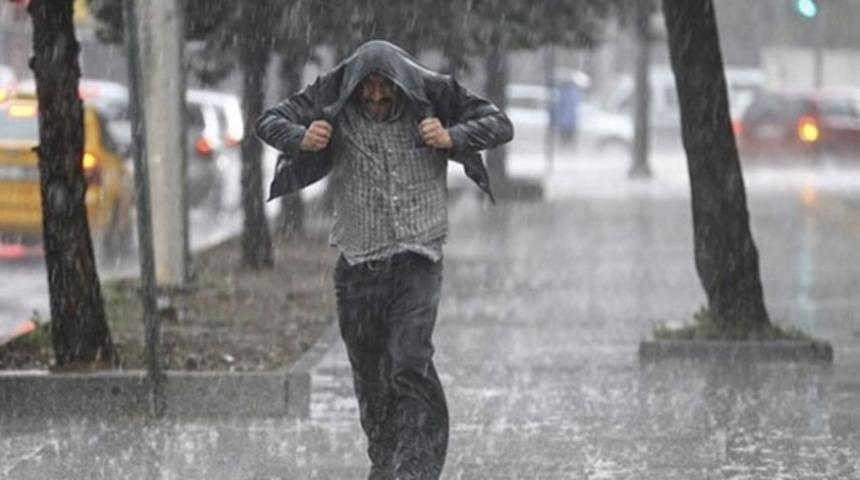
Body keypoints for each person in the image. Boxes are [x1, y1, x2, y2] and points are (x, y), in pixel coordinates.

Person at [256, 40, 513, 479]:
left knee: (409, 362)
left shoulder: (433, 92)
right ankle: (385, 461)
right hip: (357, 263)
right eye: (367, 88)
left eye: (384, 86)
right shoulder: (332, 90)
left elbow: (499, 123)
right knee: (371, 377)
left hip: (418, 257)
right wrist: (301, 137)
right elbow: (268, 120)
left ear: (401, 82)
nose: (375, 96)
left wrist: (452, 137)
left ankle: (417, 468)